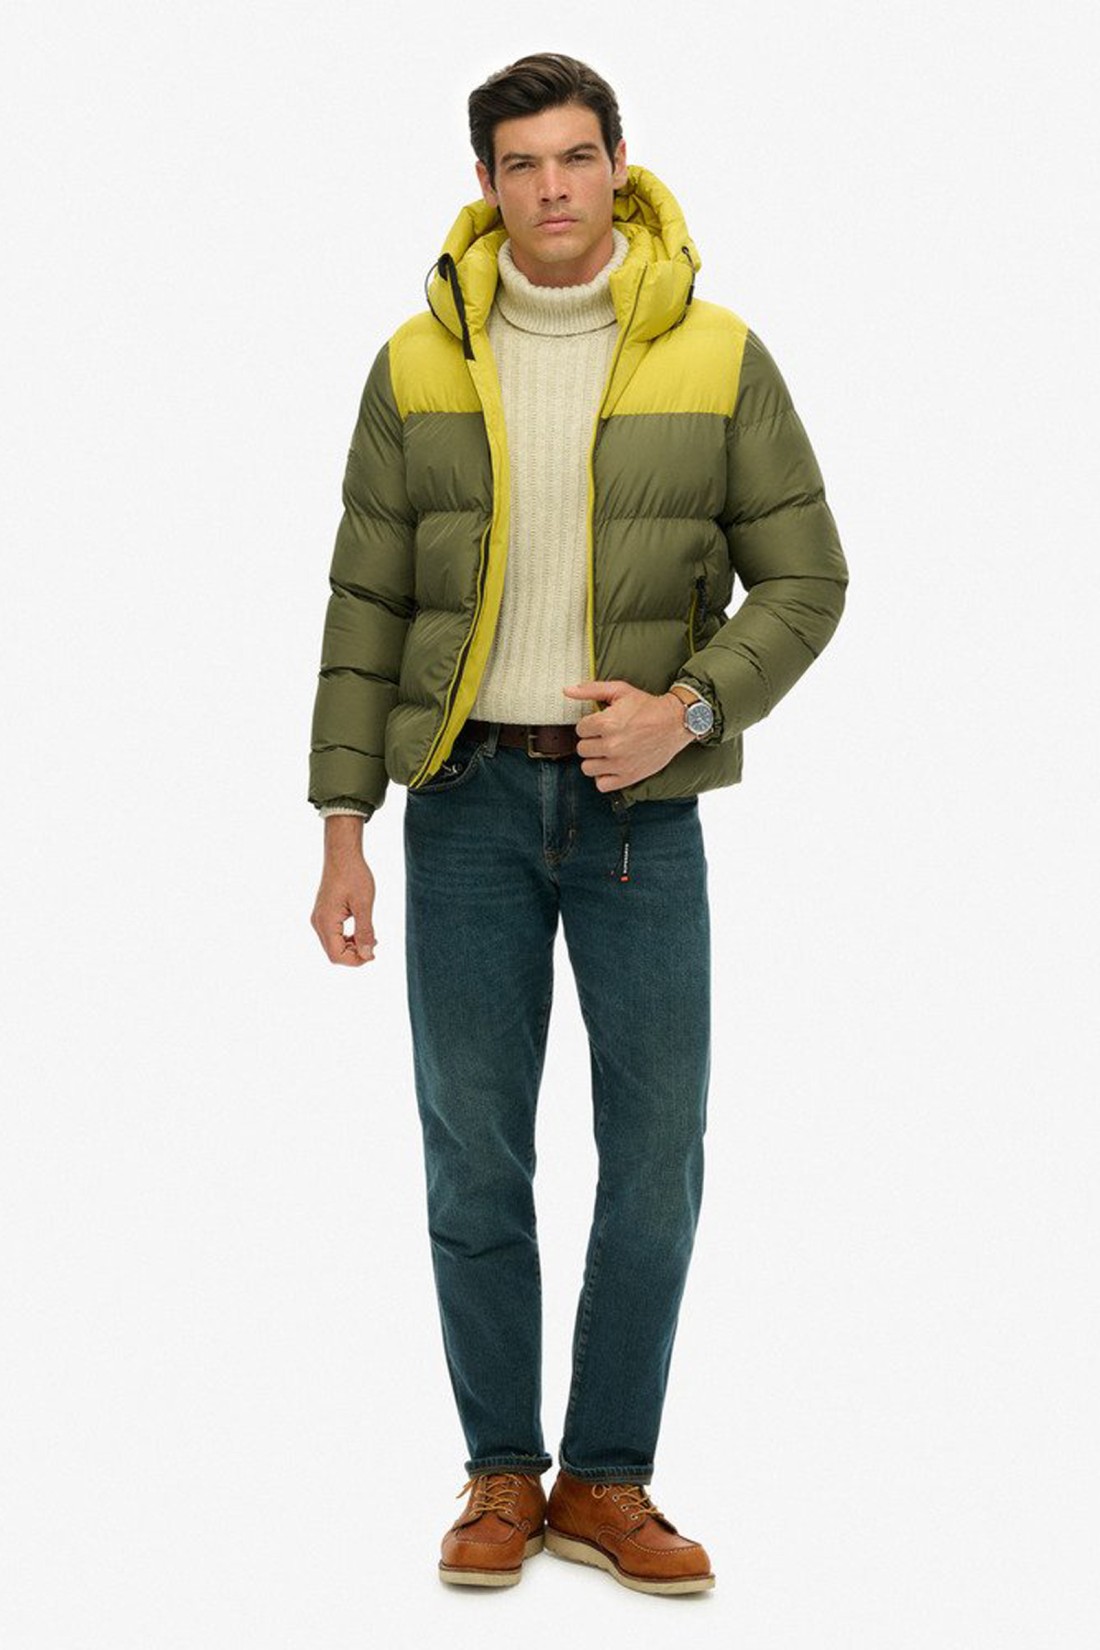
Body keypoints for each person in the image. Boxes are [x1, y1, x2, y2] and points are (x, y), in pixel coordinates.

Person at [308, 51, 848, 1595]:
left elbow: (808, 579)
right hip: (463, 803)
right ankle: (501, 1469)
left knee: (657, 1150)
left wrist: (690, 709)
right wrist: (343, 821)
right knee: (473, 1151)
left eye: (576, 155)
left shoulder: (719, 355)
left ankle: (607, 1476)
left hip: (639, 812)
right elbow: (365, 604)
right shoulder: (416, 362)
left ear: (619, 163)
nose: (552, 186)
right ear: (487, 184)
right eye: (522, 163)